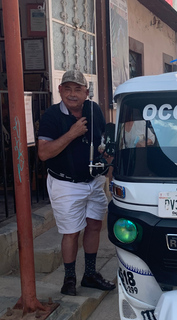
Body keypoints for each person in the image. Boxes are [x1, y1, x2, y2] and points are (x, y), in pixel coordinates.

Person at [38, 70, 115, 296]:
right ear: (60, 90)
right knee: (71, 232)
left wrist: (107, 157)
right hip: (66, 184)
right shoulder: (52, 115)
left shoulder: (94, 110)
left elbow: (103, 140)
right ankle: (69, 279)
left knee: (94, 225)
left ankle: (89, 274)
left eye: (78, 89)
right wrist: (72, 133)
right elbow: (43, 153)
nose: (72, 94)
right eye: (68, 88)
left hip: (93, 180)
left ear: (86, 92)